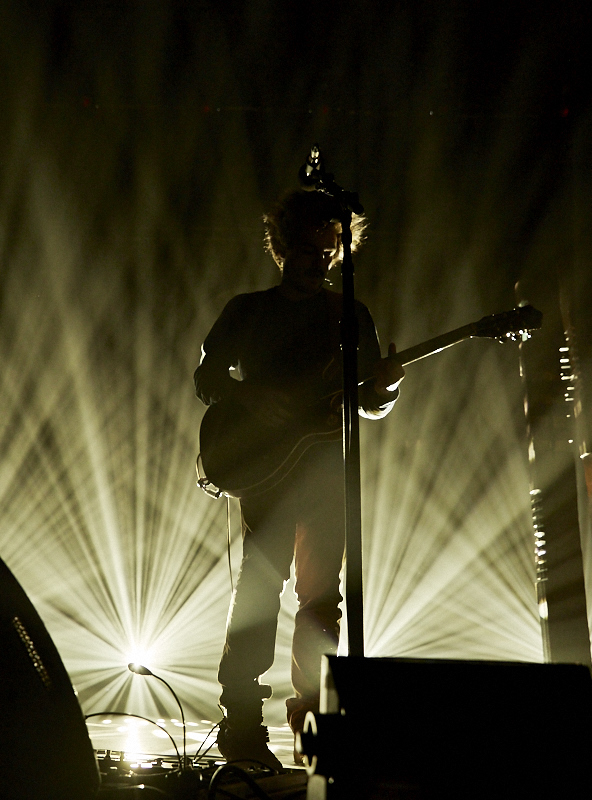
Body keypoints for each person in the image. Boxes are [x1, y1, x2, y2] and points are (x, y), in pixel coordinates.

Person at [194, 188, 405, 768]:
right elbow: (206, 378)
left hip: (326, 471)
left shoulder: (349, 313)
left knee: (321, 602)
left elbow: (367, 401)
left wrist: (386, 386)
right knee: (260, 591)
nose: (320, 262)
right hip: (264, 470)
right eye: (309, 250)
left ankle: (312, 728)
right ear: (283, 246)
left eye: (330, 251)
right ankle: (241, 728)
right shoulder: (248, 310)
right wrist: (252, 398)